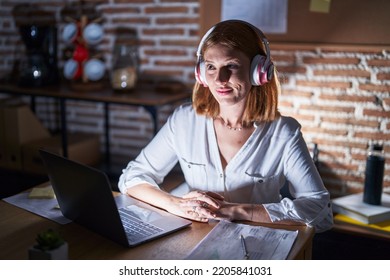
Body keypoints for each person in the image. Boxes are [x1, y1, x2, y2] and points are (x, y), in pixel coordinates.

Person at [118, 20, 333, 233]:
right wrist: (175, 204)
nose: (220, 79)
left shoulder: (284, 132)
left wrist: (236, 211)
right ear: (201, 73)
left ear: (258, 71)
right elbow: (132, 178)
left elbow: (318, 207)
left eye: (231, 66)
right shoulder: (184, 120)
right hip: (194, 239)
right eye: (211, 67)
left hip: (257, 244)